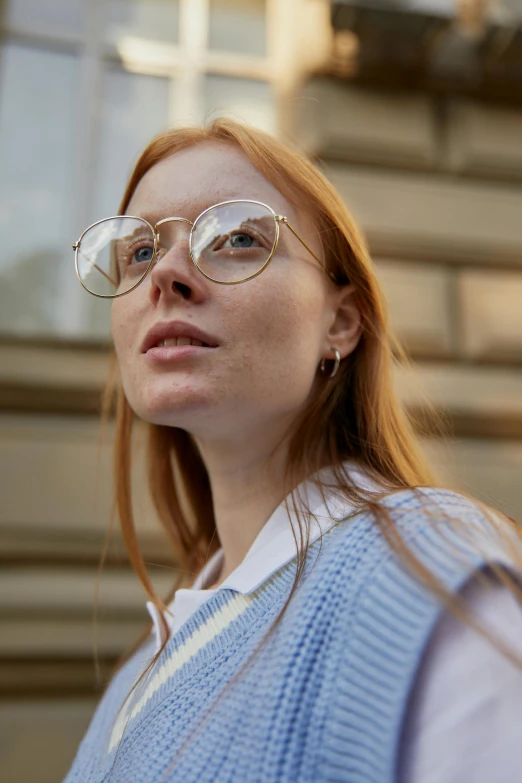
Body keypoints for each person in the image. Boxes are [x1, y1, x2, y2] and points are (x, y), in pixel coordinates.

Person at [65, 118, 522, 783]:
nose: (165, 272)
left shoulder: (425, 570)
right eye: (137, 251)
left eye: (236, 237)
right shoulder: (143, 666)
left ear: (339, 322)